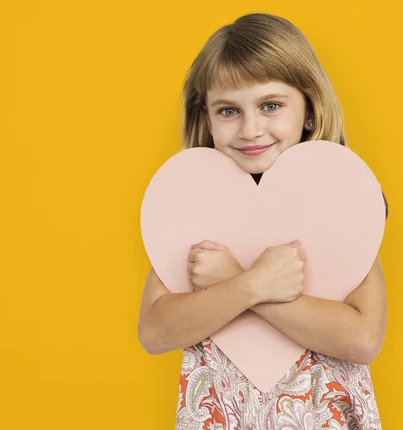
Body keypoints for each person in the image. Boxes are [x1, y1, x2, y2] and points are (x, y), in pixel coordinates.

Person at [138, 13, 388, 429]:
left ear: (309, 109)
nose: (251, 129)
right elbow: (155, 331)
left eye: (270, 105)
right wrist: (252, 284)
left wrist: (237, 279)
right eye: (228, 110)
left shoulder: (343, 203)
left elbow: (362, 339)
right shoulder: (190, 209)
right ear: (206, 118)